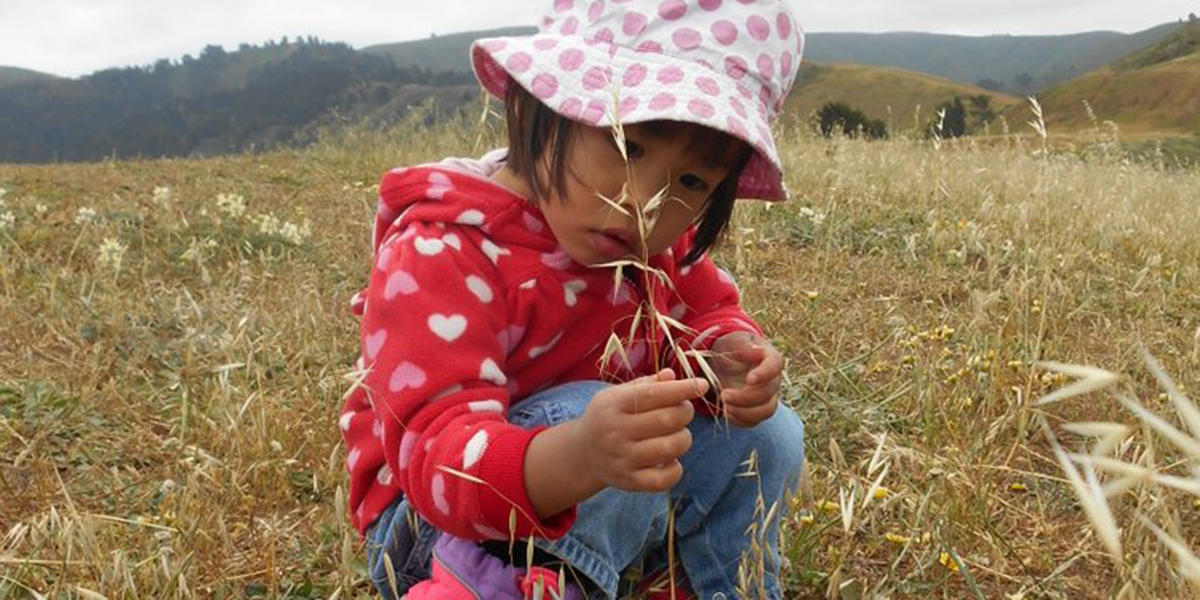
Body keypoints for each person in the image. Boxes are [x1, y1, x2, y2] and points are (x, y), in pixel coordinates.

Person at [340, 0, 807, 597]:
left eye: (692, 182)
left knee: (769, 436)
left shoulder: (651, 243)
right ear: (541, 104)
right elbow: (438, 460)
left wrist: (724, 357)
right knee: (591, 412)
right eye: (628, 146)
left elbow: (706, 312)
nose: (646, 203)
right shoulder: (443, 250)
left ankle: (704, 584)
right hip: (437, 530)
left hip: (600, 497)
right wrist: (579, 456)